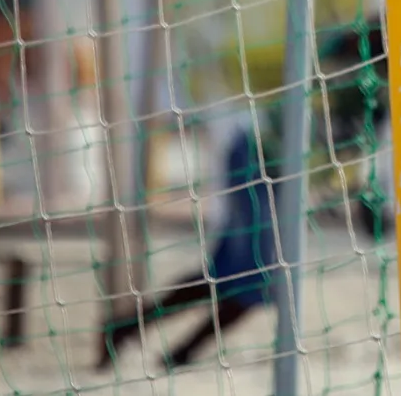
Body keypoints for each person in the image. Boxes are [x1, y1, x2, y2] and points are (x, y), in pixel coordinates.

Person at [96, 124, 278, 370]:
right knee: (249, 278)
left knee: (239, 279)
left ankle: (140, 333)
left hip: (273, 148)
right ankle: (156, 341)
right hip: (251, 146)